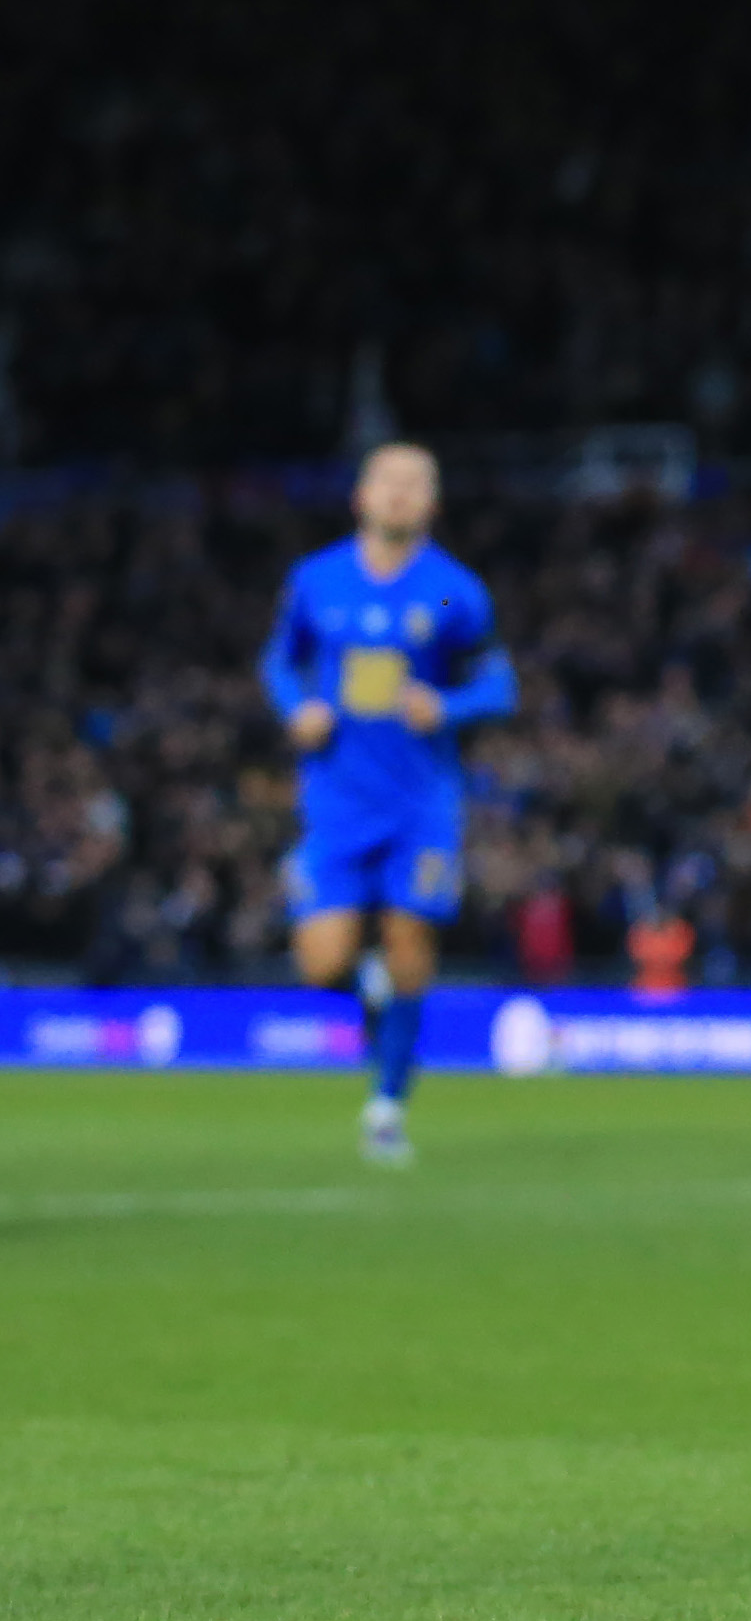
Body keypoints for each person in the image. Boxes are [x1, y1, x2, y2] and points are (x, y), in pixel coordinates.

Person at [264, 440, 510, 1167]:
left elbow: (498, 683)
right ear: (360, 496)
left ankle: (386, 1106)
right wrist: (297, 707)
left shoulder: (448, 592)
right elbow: (279, 659)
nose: (400, 493)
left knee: (409, 946)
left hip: (419, 804)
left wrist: (449, 705)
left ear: (433, 503)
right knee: (322, 963)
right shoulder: (318, 581)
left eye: (415, 483)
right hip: (336, 801)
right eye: (387, 480)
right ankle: (374, 999)